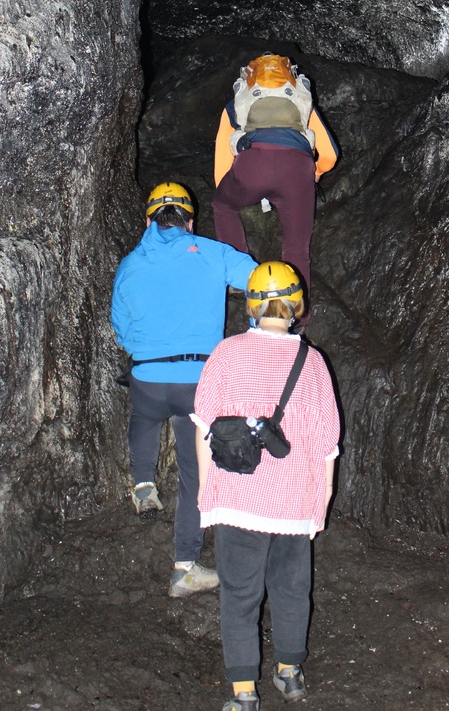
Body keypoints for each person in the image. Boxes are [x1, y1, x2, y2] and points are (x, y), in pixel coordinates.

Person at [192, 261, 340, 711]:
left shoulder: (227, 353)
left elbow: (204, 427)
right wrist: (321, 501)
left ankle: (243, 693)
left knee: (240, 592)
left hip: (238, 500)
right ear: (297, 305)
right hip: (294, 504)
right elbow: (327, 444)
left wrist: (206, 492)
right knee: (292, 587)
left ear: (251, 306)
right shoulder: (312, 363)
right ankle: (290, 673)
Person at [111, 181, 256, 598]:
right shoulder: (213, 253)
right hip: (197, 383)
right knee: (194, 473)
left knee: (144, 409)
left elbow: (120, 326)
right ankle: (184, 567)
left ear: (149, 220)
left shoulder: (130, 265)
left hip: (148, 380)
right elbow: (261, 284)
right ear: (190, 221)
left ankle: (143, 483)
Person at [212, 53, 338, 314]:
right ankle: (297, 322)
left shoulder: (237, 103)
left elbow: (221, 162)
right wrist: (314, 173)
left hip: (253, 164)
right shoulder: (302, 101)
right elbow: (331, 155)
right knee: (297, 248)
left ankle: (239, 275)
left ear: (251, 78)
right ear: (288, 77)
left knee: (222, 205)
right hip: (297, 168)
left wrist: (231, 185)